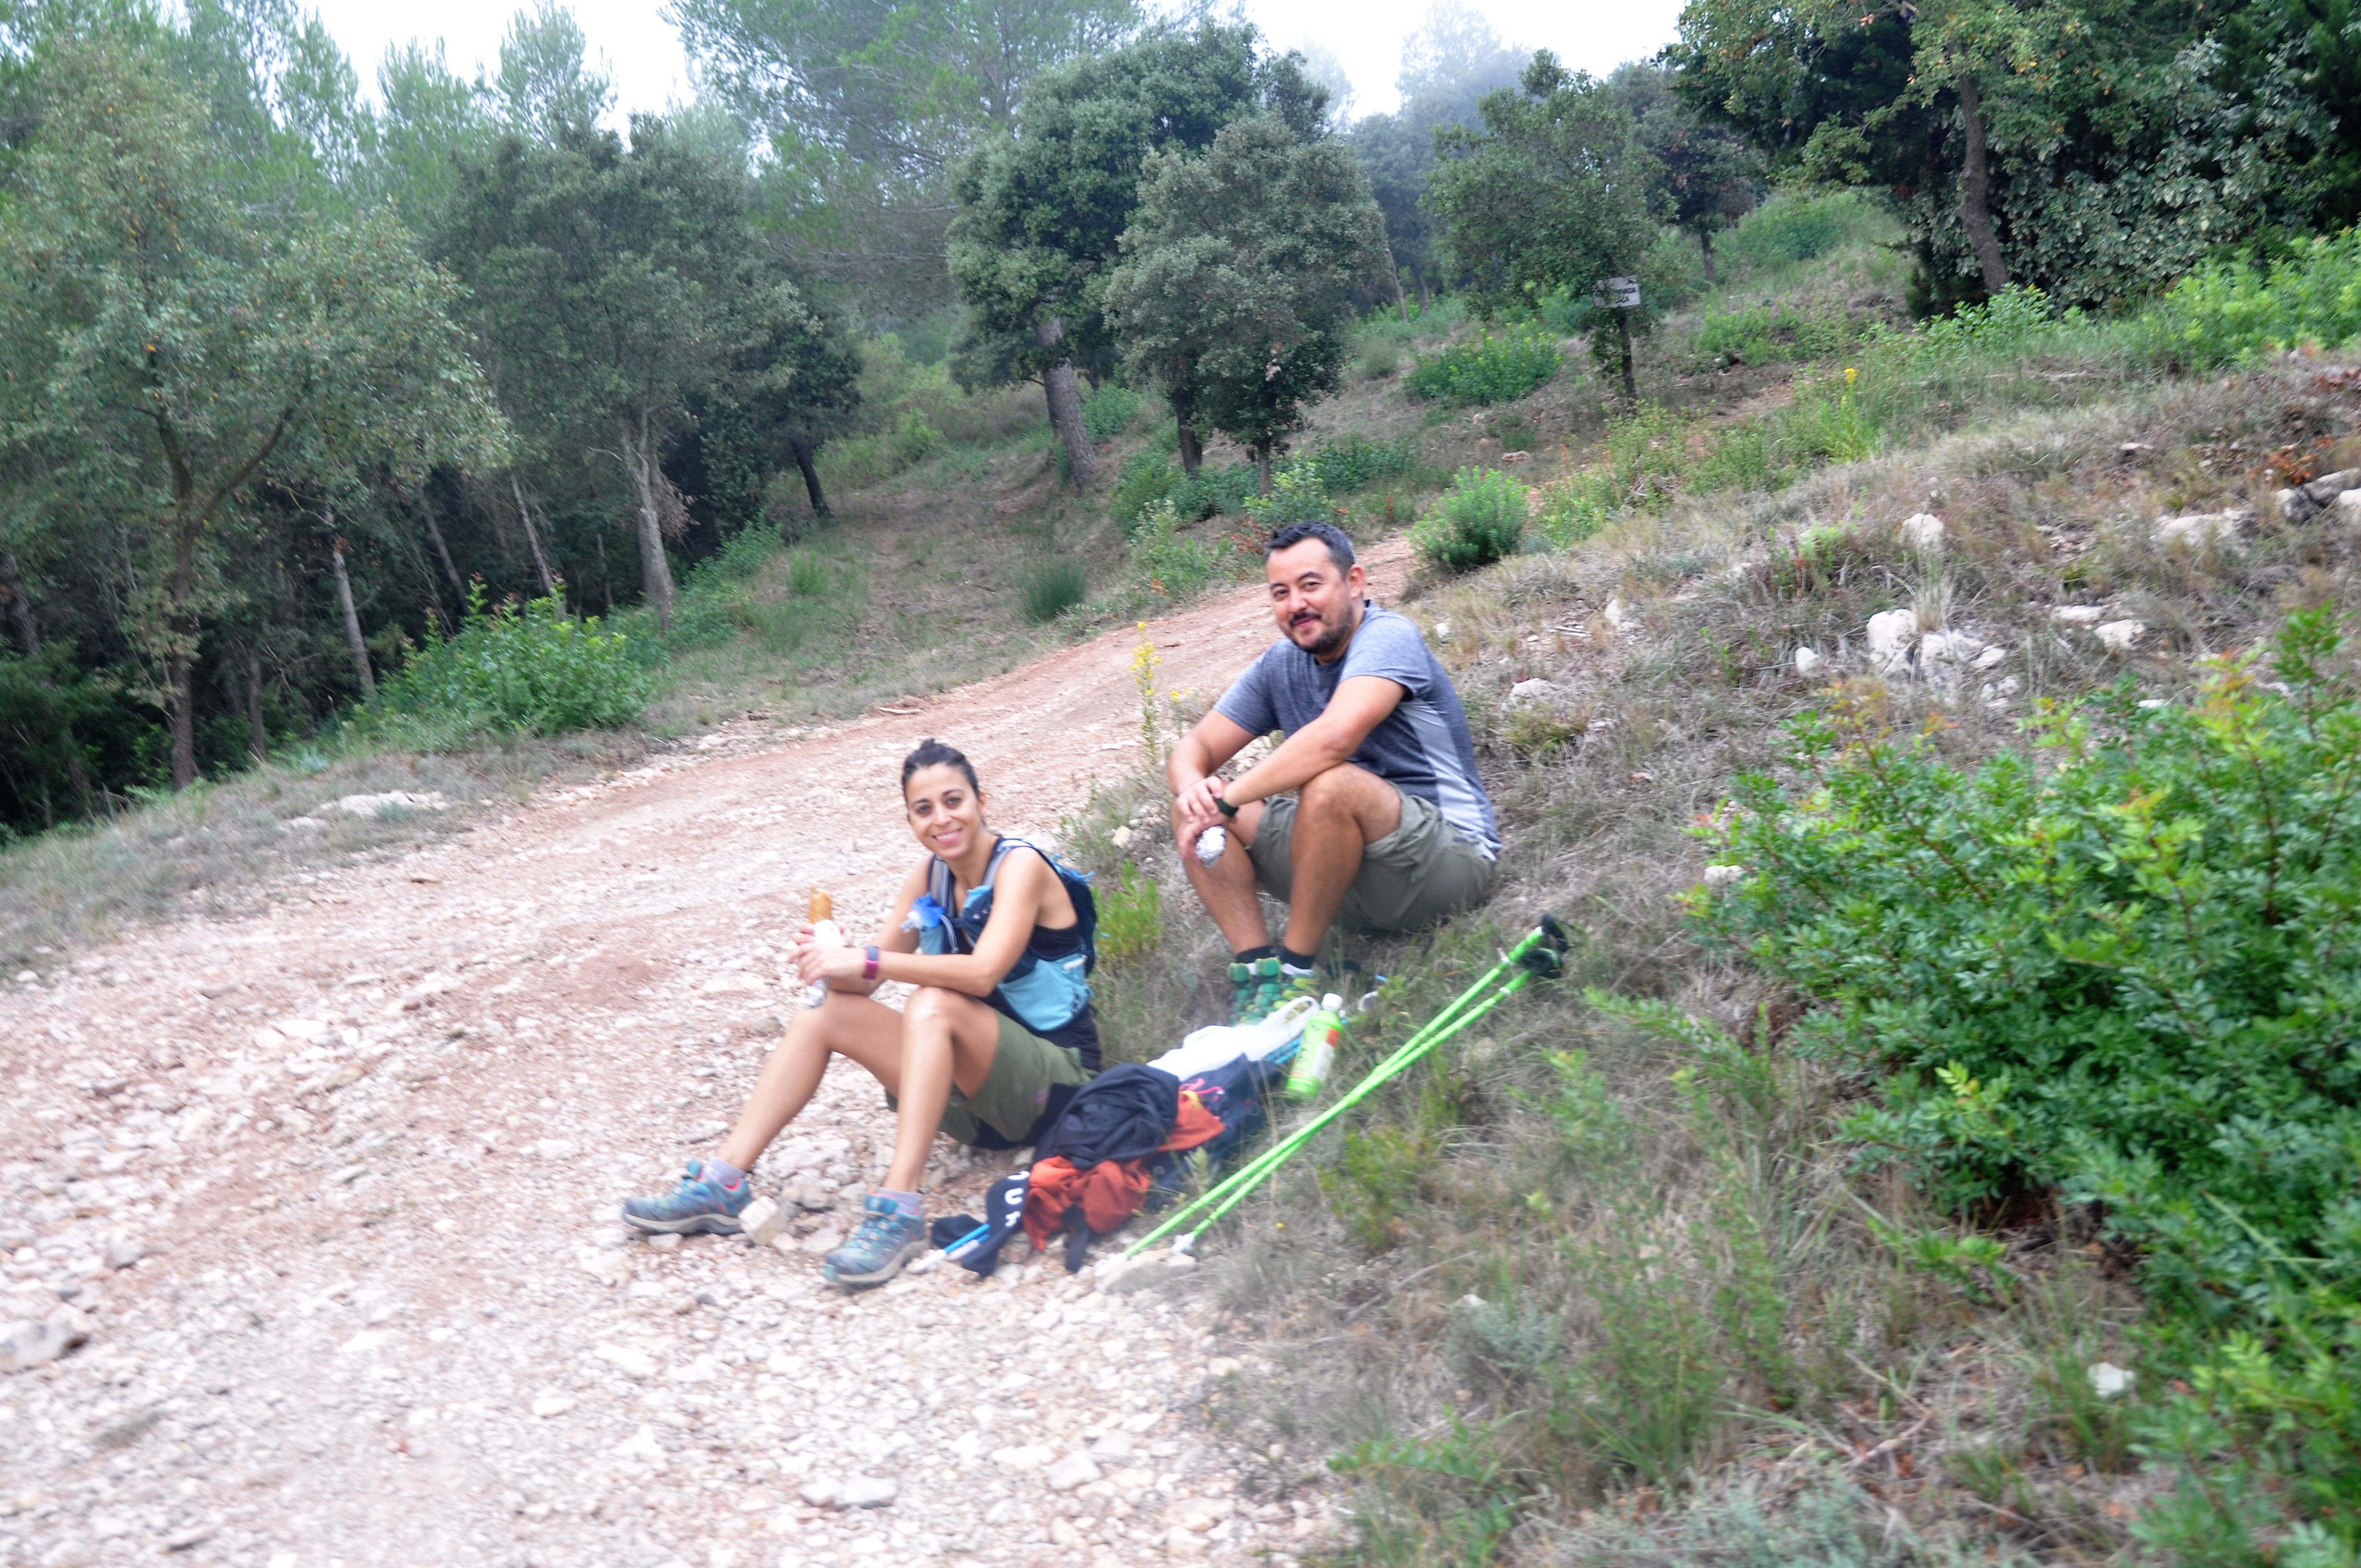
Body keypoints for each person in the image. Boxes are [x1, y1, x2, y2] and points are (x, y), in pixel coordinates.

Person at [622, 738, 1101, 1288]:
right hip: (979, 1104)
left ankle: (899, 1208)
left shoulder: (1020, 866)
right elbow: (865, 981)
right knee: (825, 1011)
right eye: (924, 809)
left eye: (954, 801)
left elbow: (982, 974)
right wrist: (830, 958)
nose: (942, 819)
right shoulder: (930, 876)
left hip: (1054, 1089)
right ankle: (723, 1182)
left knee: (932, 1003)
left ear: (981, 800)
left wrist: (868, 959)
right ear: (910, 820)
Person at [1169, 520, 1499, 1022]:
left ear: (1355, 582)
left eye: (1310, 585)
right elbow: (1193, 747)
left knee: (1331, 784)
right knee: (1189, 807)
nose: (1296, 604)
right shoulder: (1280, 665)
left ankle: (1296, 975)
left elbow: (1334, 739)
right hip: (1348, 874)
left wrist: (1228, 800)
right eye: (1281, 593)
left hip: (1447, 863)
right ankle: (1259, 978)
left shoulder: (1388, 637)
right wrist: (1196, 791)